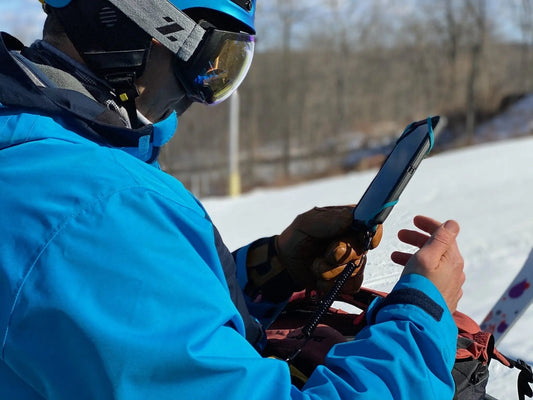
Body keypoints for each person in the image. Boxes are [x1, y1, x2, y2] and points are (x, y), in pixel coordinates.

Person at [0, 0, 465, 398]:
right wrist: (421, 318)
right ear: (120, 25)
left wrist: (267, 270)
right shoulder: (98, 210)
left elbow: (113, 315)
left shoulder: (34, 152)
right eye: (210, 60)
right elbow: (100, 262)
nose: (199, 93)